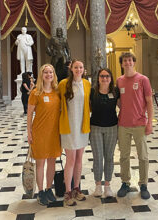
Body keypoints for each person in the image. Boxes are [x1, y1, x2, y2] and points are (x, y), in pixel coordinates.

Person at [116, 52, 153, 200]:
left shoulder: (143, 79)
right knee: (124, 156)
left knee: (143, 156)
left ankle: (143, 184)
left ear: (134, 62)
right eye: (125, 61)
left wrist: (149, 122)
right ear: (122, 64)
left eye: (130, 60)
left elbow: (149, 102)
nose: (127, 63)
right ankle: (125, 182)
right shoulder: (119, 81)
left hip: (139, 124)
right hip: (123, 124)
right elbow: (119, 101)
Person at [27, 64, 61, 206]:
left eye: (51, 72)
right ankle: (40, 192)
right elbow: (29, 115)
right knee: (40, 163)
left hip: (54, 133)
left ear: (54, 74)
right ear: (42, 75)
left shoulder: (57, 92)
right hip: (39, 132)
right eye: (46, 72)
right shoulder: (35, 93)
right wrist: (29, 132)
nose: (49, 74)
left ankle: (48, 189)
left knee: (52, 162)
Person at [58, 59, 91, 207]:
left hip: (82, 127)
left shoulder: (87, 84)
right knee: (70, 160)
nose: (79, 70)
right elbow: (56, 104)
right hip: (68, 127)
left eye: (81, 67)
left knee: (79, 159)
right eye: (76, 67)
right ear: (71, 68)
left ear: (84, 70)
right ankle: (68, 192)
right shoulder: (63, 84)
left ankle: (77, 188)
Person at [90, 68, 120, 198]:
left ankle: (107, 186)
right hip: (95, 127)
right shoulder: (92, 92)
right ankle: (98, 186)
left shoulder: (115, 91)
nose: (104, 78)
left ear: (111, 78)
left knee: (109, 157)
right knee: (98, 157)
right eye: (102, 76)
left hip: (112, 127)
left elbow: (123, 106)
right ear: (98, 78)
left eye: (107, 76)